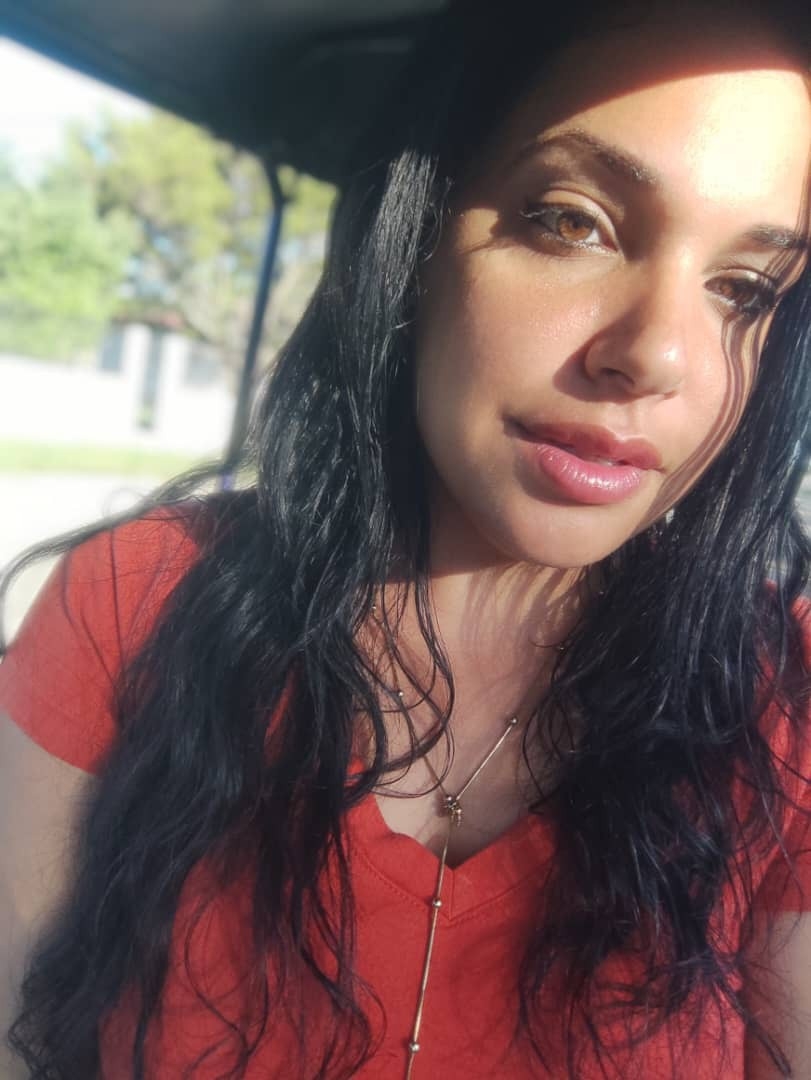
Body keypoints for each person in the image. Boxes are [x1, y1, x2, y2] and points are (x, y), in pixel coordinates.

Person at [1, 0, 810, 1076]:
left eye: (743, 289)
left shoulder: (781, 698)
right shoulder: (135, 601)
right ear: (417, 234)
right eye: (571, 222)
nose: (658, 354)